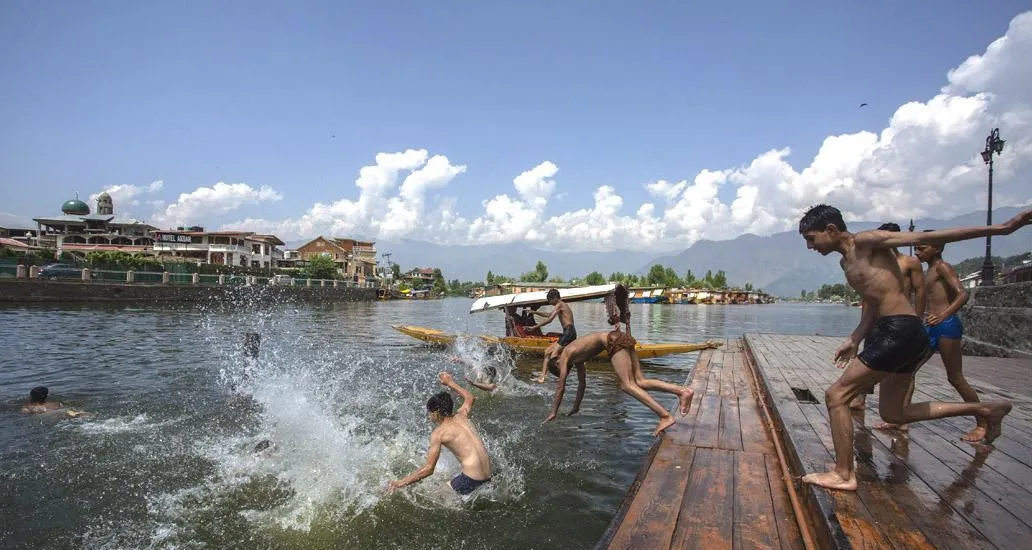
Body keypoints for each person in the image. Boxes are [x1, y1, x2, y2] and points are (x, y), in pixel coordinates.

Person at [796, 204, 1028, 491]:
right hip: (901, 332)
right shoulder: (846, 263)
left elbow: (930, 238)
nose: (809, 246)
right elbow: (873, 304)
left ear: (831, 230)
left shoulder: (867, 241)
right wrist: (854, 338)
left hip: (900, 331)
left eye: (811, 238)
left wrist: (1003, 229)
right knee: (894, 414)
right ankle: (987, 408)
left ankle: (844, 474)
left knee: (836, 396)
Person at [543, 286, 694, 436]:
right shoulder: (577, 359)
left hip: (613, 341)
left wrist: (553, 411)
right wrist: (576, 407)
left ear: (556, 363)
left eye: (562, 371)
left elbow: (560, 388)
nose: (566, 371)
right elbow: (582, 384)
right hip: (619, 337)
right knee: (640, 381)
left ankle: (665, 416)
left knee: (626, 385)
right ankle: (682, 391)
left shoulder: (563, 357)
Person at [850, 222, 927, 430]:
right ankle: (861, 399)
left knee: (902, 369)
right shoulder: (875, 262)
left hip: (900, 322)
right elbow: (869, 295)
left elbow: (920, 291)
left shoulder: (909, 262)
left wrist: (918, 319)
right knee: (867, 359)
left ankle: (902, 409)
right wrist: (860, 328)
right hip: (876, 321)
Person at [916, 233, 985, 441]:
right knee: (908, 370)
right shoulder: (928, 271)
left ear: (937, 248)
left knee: (955, 377)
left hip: (946, 326)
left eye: (922, 248)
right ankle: (898, 418)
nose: (918, 252)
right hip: (931, 326)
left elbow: (962, 294)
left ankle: (983, 422)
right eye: (917, 248)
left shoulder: (942, 267)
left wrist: (943, 315)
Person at [388, 372, 492, 495]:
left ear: (436, 412)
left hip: (472, 480)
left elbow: (429, 469)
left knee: (435, 494)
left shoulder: (439, 433)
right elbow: (469, 397)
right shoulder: (462, 415)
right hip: (489, 475)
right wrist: (450, 383)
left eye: (429, 412)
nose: (429, 416)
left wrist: (399, 483)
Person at [532, 290, 576, 383]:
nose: (549, 302)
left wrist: (534, 327)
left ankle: (562, 376)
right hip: (567, 332)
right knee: (547, 351)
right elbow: (549, 315)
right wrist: (534, 312)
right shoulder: (560, 305)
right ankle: (542, 377)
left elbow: (549, 320)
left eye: (549, 300)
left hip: (569, 332)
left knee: (553, 356)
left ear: (555, 298)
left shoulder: (560, 304)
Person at [20, 386, 86, 418]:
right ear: (46, 396)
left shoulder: (27, 407)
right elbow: (64, 409)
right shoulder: (57, 404)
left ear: (31, 396)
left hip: (50, 416)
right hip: (64, 412)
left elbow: (25, 416)